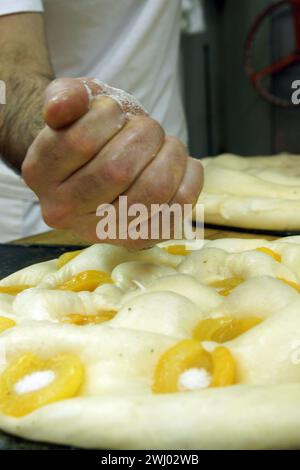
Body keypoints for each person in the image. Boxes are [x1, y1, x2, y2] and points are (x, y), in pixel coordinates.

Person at [0, 0, 203, 247]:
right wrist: (67, 147)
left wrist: (158, 175)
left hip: (175, 184)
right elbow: (8, 74)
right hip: (49, 202)